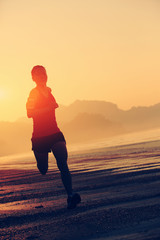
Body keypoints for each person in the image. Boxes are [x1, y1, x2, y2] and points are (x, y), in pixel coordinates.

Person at [26, 65, 81, 209]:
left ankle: (70, 196)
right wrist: (48, 108)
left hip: (54, 133)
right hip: (39, 137)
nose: (41, 76)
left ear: (46, 75)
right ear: (33, 78)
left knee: (63, 163)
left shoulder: (49, 91)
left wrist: (50, 107)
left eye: (43, 73)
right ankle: (41, 162)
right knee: (43, 169)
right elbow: (29, 113)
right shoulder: (33, 93)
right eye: (37, 74)